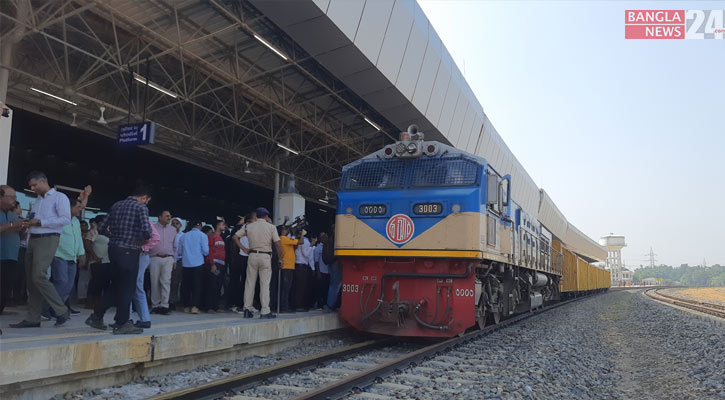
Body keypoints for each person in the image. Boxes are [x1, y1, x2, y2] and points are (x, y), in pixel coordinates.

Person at [85, 186, 153, 334]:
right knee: (127, 288)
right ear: (144, 198)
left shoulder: (117, 205)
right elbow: (147, 232)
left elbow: (102, 227)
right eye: (147, 201)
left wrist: (114, 237)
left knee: (116, 286)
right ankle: (122, 323)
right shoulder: (141, 208)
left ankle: (97, 316)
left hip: (114, 250)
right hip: (130, 250)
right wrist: (141, 239)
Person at [11, 172, 71, 328]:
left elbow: (65, 219)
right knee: (31, 281)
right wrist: (29, 222)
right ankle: (33, 317)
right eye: (31, 186)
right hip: (33, 239)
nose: (32, 188)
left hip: (48, 238)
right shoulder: (37, 200)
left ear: (44, 181)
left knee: (38, 275)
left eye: (34, 185)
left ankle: (61, 309)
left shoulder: (60, 197)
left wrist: (41, 222)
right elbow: (36, 221)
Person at [234, 207, 281, 319]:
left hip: (252, 255)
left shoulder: (248, 226)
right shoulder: (271, 227)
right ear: (265, 216)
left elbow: (235, 237)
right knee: (265, 284)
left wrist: (244, 249)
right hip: (265, 256)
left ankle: (247, 309)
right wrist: (280, 258)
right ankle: (265, 311)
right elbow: (278, 244)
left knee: (250, 283)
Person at [45, 198, 86, 318]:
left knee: (68, 285)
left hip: (72, 257)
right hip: (59, 255)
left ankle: (56, 309)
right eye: (78, 207)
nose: (80, 209)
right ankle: (47, 309)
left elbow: (78, 239)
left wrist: (81, 254)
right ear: (70, 207)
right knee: (61, 282)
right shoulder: (59, 219)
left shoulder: (76, 221)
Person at [130, 218, 159, 328]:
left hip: (139, 255)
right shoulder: (145, 221)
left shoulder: (145, 221)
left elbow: (156, 237)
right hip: (141, 255)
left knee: (132, 285)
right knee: (136, 285)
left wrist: (143, 247)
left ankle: (129, 318)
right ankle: (144, 318)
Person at [0, 185, 24, 315]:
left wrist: (24, 227)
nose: (14, 200)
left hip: (12, 257)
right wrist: (12, 225)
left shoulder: (12, 214)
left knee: (6, 289)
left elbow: (20, 233)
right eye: (11, 197)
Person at [149, 210, 177, 315]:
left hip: (168, 258)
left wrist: (174, 260)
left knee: (166, 281)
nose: (169, 218)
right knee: (154, 281)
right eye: (166, 216)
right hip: (155, 257)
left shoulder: (173, 230)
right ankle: (155, 305)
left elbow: (175, 246)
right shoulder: (153, 228)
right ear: (159, 217)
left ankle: (165, 305)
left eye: (170, 216)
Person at [179, 221, 209, 314]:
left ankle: (186, 306)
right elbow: (206, 251)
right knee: (197, 286)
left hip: (186, 263)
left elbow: (180, 251)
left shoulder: (184, 236)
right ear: (199, 226)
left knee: (186, 286)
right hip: (198, 263)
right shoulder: (202, 235)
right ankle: (195, 306)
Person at [86, 216, 111, 310]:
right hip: (97, 261)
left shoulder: (107, 232)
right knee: (96, 283)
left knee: (105, 283)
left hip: (107, 261)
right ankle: (92, 303)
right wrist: (94, 256)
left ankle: (101, 304)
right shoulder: (93, 232)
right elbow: (87, 243)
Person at [204, 220, 227, 313]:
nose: (224, 226)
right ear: (217, 226)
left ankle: (216, 306)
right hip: (214, 264)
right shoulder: (212, 237)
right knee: (211, 285)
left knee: (218, 286)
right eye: (223, 224)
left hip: (221, 264)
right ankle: (209, 307)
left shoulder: (221, 237)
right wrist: (212, 263)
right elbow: (209, 251)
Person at [227, 215, 248, 313]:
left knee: (243, 282)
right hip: (237, 259)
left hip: (244, 258)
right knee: (235, 282)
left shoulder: (246, 230)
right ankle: (233, 304)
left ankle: (241, 303)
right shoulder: (237, 231)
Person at [277, 225, 298, 313]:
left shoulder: (285, 239)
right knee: (286, 288)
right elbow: (297, 242)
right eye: (286, 229)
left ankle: (284, 306)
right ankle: (283, 307)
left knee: (286, 288)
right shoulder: (283, 238)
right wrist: (294, 234)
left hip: (289, 266)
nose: (287, 231)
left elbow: (295, 245)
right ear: (282, 231)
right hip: (286, 266)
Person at [292, 229, 313, 312]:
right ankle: (299, 305)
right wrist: (311, 246)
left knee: (296, 286)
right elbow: (306, 254)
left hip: (297, 265)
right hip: (301, 265)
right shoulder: (304, 241)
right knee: (301, 287)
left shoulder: (295, 239)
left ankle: (295, 304)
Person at [323, 225, 341, 311]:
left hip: (331, 262)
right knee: (335, 284)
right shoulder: (336, 239)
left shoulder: (329, 238)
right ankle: (331, 304)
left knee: (333, 283)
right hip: (336, 262)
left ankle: (331, 304)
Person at [169, 217, 184, 309]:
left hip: (179, 260)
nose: (175, 225)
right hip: (169, 259)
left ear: (180, 225)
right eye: (173, 223)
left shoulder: (183, 235)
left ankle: (174, 300)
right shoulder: (168, 234)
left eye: (177, 223)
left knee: (176, 282)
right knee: (168, 282)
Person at [313, 233, 330, 310]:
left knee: (326, 288)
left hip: (328, 271)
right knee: (320, 289)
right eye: (323, 237)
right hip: (321, 271)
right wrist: (318, 272)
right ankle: (319, 304)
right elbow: (316, 261)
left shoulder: (328, 247)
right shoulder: (318, 248)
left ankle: (325, 303)